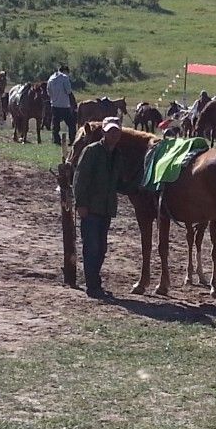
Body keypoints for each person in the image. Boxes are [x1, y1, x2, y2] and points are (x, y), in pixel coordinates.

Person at [73, 118, 125, 299]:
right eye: (111, 131)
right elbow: (80, 178)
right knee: (92, 247)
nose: (114, 135)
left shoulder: (117, 155)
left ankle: (95, 282)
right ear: (103, 132)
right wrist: (80, 204)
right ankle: (92, 286)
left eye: (117, 131)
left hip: (106, 209)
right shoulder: (91, 151)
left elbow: (119, 182)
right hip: (91, 208)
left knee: (101, 248)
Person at [47, 62, 75, 145]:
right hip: (64, 105)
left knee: (55, 125)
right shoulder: (65, 78)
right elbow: (69, 91)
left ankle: (56, 140)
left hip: (54, 105)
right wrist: (73, 103)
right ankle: (72, 140)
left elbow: (48, 92)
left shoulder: (51, 78)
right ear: (65, 71)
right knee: (71, 124)